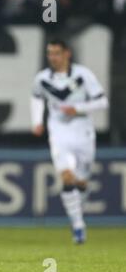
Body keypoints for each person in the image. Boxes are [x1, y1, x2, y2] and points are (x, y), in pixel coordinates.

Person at [30, 39, 108, 244]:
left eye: (56, 53)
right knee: (66, 176)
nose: (52, 57)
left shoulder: (83, 75)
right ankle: (78, 226)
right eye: (49, 53)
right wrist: (37, 121)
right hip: (59, 132)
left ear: (67, 54)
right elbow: (37, 97)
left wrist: (78, 109)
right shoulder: (43, 78)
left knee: (81, 181)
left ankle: (77, 214)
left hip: (83, 133)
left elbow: (102, 100)